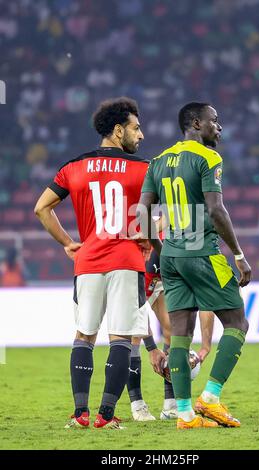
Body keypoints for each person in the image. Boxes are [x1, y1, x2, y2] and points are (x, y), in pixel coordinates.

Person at [34, 97, 164, 430]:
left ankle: (80, 414)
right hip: (126, 261)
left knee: (84, 337)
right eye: (136, 128)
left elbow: (41, 209)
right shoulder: (144, 169)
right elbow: (150, 216)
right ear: (118, 130)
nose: (142, 135)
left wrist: (67, 243)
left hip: (88, 261)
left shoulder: (73, 167)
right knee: (121, 339)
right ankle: (107, 415)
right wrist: (147, 240)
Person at [138, 102, 251, 430]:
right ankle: (211, 398)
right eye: (215, 121)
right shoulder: (208, 157)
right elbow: (216, 210)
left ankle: (185, 414)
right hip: (202, 253)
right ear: (196, 123)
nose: (219, 127)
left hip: (171, 257)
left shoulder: (157, 162)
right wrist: (239, 255)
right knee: (237, 322)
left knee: (180, 334)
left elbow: (142, 212)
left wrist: (161, 250)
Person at [127, 238, 215, 422]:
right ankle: (137, 404)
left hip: (167, 278)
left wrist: (206, 346)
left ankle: (171, 404)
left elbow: (207, 303)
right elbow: (137, 307)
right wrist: (151, 348)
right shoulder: (150, 259)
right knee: (133, 334)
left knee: (174, 330)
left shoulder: (196, 262)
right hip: (142, 277)